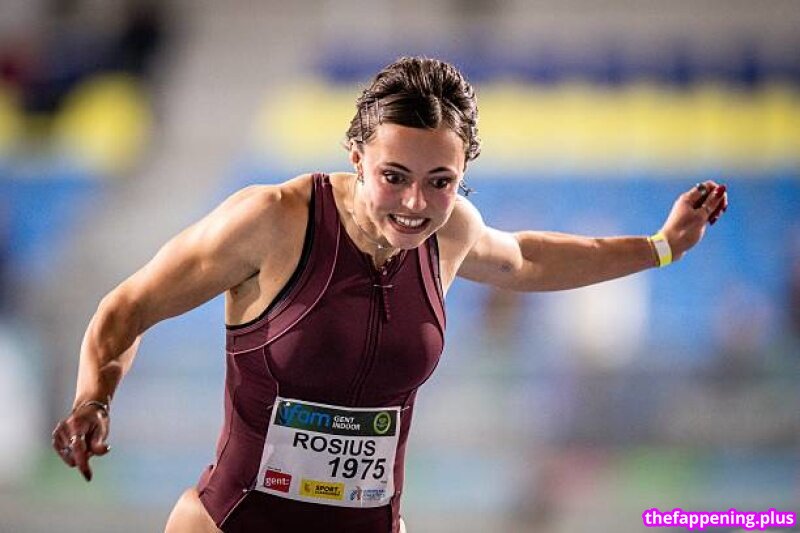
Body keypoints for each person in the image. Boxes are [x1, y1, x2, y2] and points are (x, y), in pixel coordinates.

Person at [51, 56, 728, 533]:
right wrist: (93, 399)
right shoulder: (273, 221)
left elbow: (527, 258)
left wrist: (661, 245)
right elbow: (126, 309)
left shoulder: (450, 233)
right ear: (356, 156)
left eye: (441, 182)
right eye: (394, 176)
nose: (414, 204)